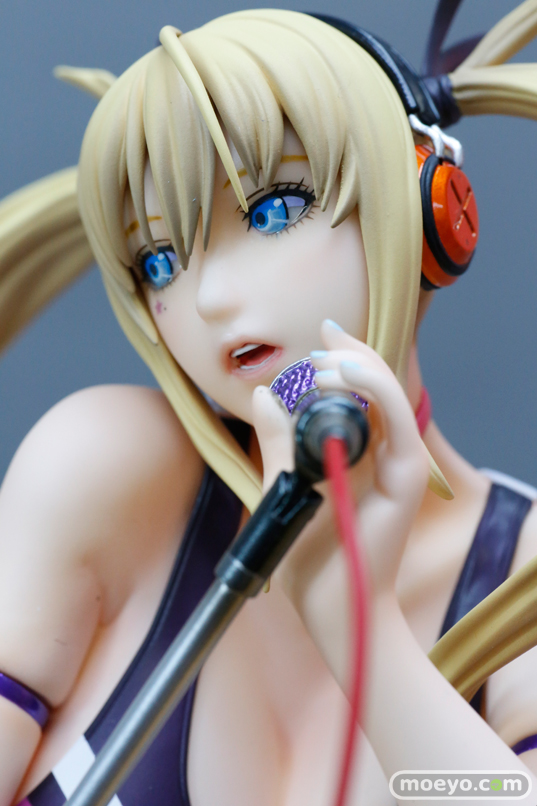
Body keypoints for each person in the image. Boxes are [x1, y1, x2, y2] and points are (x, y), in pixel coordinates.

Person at [2, 3, 537, 804]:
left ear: (431, 213)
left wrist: (362, 632)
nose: (209, 297)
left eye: (273, 210)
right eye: (158, 260)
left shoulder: (520, 576)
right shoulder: (107, 474)